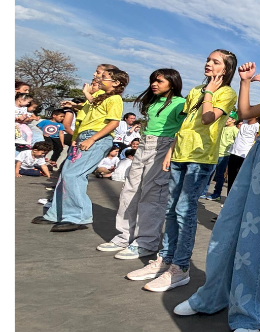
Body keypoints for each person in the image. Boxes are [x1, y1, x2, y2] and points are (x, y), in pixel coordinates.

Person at [173, 47, 260, 332]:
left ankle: (254, 315)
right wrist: (246, 82)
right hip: (257, 153)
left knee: (259, 238)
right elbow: (246, 113)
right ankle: (211, 296)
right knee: (227, 226)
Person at [126, 51, 237, 291]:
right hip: (179, 154)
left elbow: (207, 118)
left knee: (184, 211)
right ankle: (164, 260)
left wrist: (210, 92)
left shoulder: (227, 93)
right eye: (208, 59)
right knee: (170, 209)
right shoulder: (196, 90)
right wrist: (170, 151)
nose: (208, 64)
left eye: (215, 62)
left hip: (201, 158)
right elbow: (185, 124)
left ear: (226, 69)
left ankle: (180, 267)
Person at [96, 68, 185, 260]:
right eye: (153, 80)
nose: (154, 84)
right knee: (129, 190)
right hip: (144, 144)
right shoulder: (153, 102)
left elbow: (183, 131)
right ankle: (124, 236)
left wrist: (170, 153)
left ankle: (146, 242)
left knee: (152, 195)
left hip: (164, 146)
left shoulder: (180, 103)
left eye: (160, 81)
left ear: (172, 83)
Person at [32, 69, 129, 232]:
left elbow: (114, 123)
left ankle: (77, 216)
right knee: (65, 175)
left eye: (104, 77)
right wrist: (80, 101)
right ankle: (57, 214)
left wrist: (92, 139)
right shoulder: (101, 97)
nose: (99, 79)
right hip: (84, 136)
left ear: (116, 82)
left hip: (96, 138)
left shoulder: (115, 98)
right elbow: (92, 108)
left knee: (74, 175)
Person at [203, 116, 238, 200]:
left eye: (229, 118)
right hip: (215, 153)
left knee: (220, 175)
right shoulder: (222, 127)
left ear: (233, 120)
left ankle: (217, 193)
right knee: (209, 173)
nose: (226, 120)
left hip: (225, 155)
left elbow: (238, 141)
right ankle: (203, 192)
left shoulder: (235, 130)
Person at [226, 116, 260, 193]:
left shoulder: (257, 126)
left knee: (238, 179)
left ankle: (236, 197)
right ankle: (229, 198)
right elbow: (242, 112)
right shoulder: (244, 122)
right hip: (234, 152)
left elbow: (257, 139)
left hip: (244, 155)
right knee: (231, 177)